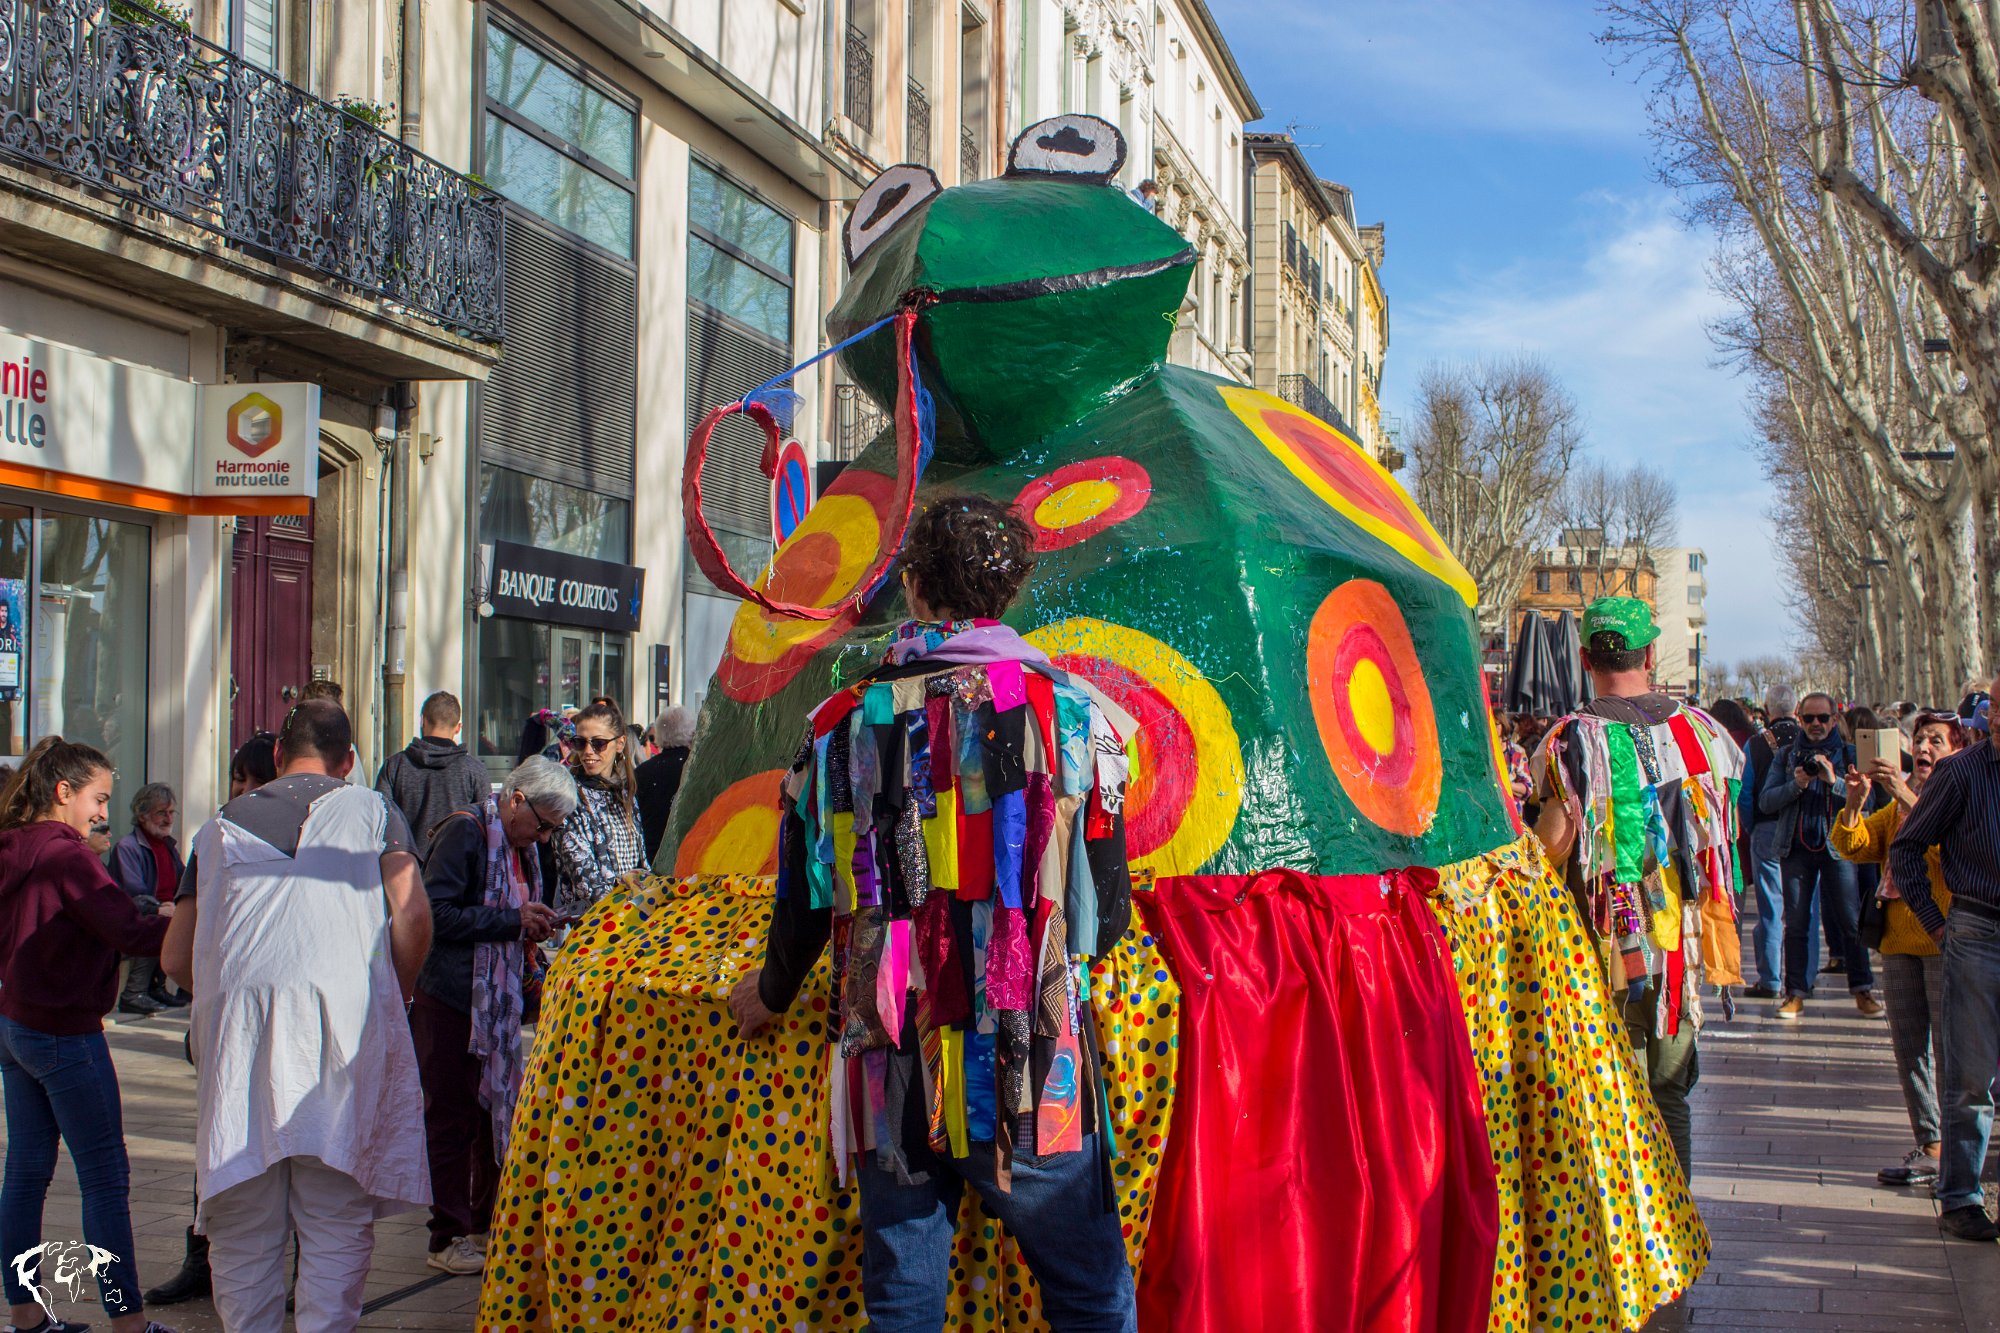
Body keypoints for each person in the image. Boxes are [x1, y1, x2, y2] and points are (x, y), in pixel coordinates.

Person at [728, 494, 1139, 1331]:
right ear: (1012, 591)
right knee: (1091, 1293)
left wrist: (769, 992)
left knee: (905, 1297)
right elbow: (1113, 909)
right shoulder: (1075, 718)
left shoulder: (838, 724)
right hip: (1030, 1052)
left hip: (894, 1057)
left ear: (913, 590)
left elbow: (804, 899)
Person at [161, 699, 433, 1330]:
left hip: (240, 1046)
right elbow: (413, 916)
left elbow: (176, 956)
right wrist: (401, 995)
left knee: (242, 1226)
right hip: (341, 1037)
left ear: (277, 756)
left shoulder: (217, 828)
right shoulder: (373, 811)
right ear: (348, 762)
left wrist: (234, 993)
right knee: (336, 1219)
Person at [1530, 597, 1745, 1175]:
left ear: (1583, 658)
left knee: (1608, 1096)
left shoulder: (1567, 742)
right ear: (1650, 653)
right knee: (1668, 1091)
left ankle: (1626, 1240)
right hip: (1682, 944)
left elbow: (1550, 847)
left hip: (1601, 945)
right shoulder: (1705, 735)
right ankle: (1674, 1243)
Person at [0, 738, 177, 1333]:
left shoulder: (18, 844)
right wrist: (182, 925)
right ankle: (128, 1324)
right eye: (99, 798)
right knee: (104, 1175)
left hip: (15, 1024)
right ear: (64, 792)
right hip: (62, 1030)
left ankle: (27, 1318)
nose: (105, 811)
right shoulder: (66, 857)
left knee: (26, 1173)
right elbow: (125, 927)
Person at [411, 757, 569, 1275]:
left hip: (491, 1004)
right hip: (454, 1000)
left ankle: (484, 1226)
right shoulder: (466, 832)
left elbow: (515, 910)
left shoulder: (520, 847)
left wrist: (533, 922)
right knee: (453, 1120)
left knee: (489, 1117)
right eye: (542, 824)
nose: (544, 838)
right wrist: (511, 920)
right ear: (516, 799)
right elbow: (437, 914)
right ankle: (446, 1235)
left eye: (552, 830)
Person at [143, 733, 278, 1310]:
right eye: (236, 781)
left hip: (234, 1018)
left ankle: (234, 1262)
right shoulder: (222, 839)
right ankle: (210, 1258)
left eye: (249, 780)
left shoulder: (221, 838)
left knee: (241, 1142)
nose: (240, 792)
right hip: (258, 1018)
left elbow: (176, 957)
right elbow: (176, 955)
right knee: (244, 1142)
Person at [1888, 673, 2000, 1243]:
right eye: (1997, 711)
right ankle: (1961, 1197)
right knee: (1971, 1075)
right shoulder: (1962, 774)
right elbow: (1907, 850)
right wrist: (1940, 924)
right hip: (1978, 929)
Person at [1833, 709, 1964, 1189]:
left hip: (1943, 939)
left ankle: (1960, 1152)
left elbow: (1949, 855)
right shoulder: (1898, 802)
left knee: (1951, 1052)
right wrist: (1854, 804)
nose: (1925, 749)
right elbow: (1856, 847)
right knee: (1910, 1050)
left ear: (1957, 750)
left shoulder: (1960, 796)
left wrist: (1906, 797)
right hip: (1896, 941)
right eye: (1920, 739)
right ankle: (1930, 1145)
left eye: (1937, 741)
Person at [1760, 691, 1882, 1018]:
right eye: (1809, 718)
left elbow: (1869, 803)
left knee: (1850, 921)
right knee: (1797, 923)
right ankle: (1795, 992)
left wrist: (1835, 782)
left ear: (1834, 719)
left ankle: (1863, 989)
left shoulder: (1849, 753)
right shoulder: (1786, 756)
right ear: (1799, 718)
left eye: (1823, 718)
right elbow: (1766, 801)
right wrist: (1795, 785)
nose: (1816, 725)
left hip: (1837, 847)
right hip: (1795, 848)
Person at [1740, 685, 1815, 999]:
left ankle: (1770, 978)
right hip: (1807, 830)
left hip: (1768, 829)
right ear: (1796, 709)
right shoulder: (1811, 742)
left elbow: (1744, 794)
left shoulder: (1756, 744)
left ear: (1768, 710)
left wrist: (1752, 826)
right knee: (1806, 905)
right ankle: (1804, 977)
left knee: (1771, 906)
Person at [551, 700, 646, 921]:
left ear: (620, 743)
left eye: (599, 743)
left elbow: (643, 865)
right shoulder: (569, 799)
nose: (588, 751)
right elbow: (586, 883)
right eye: (580, 742)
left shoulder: (625, 794)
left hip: (632, 924)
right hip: (591, 930)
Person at [375, 690, 492, 862]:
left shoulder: (395, 766)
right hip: (459, 872)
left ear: (422, 720)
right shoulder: (474, 770)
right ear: (458, 728)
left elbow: (381, 821)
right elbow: (488, 824)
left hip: (406, 870)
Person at [110, 783, 189, 1014]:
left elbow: (184, 880)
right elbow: (133, 893)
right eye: (161, 813)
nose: (168, 819)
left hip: (164, 910)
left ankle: (158, 987)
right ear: (142, 815)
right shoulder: (128, 847)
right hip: (136, 915)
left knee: (183, 922)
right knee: (159, 925)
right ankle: (134, 993)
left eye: (171, 812)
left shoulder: (167, 846)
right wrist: (158, 909)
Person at [635, 705, 695, 864]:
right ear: (691, 732)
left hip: (652, 855)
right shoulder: (696, 768)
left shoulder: (642, 772)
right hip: (688, 855)